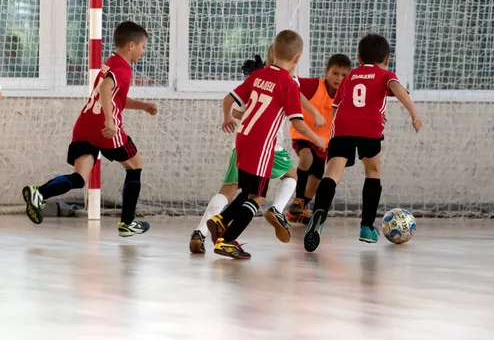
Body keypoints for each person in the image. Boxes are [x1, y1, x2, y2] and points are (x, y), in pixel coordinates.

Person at [21, 21, 157, 237]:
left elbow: (114, 97)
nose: (143, 51)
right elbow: (106, 89)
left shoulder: (110, 63)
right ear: (131, 45)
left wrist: (143, 106)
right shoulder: (123, 67)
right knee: (136, 165)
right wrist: (110, 121)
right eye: (143, 46)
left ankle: (40, 193)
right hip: (104, 129)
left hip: (84, 126)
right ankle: (127, 223)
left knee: (79, 177)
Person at [189, 45, 325, 253]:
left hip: (241, 142)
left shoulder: (258, 78)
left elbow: (235, 110)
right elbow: (295, 104)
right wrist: (316, 136)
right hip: (267, 146)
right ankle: (274, 212)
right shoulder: (285, 80)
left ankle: (202, 231)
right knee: (269, 189)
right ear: (296, 58)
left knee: (233, 190)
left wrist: (312, 110)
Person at [303, 33, 422, 252]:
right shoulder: (386, 74)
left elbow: (337, 106)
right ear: (386, 58)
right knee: (373, 171)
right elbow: (397, 89)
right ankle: (366, 227)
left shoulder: (350, 76)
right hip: (369, 129)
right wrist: (413, 113)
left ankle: (318, 215)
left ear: (358, 58)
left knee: (332, 174)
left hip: (343, 127)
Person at [287, 54, 352, 224]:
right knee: (306, 156)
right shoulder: (314, 85)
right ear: (326, 72)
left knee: (316, 180)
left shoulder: (348, 95)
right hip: (305, 134)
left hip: (325, 143)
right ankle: (298, 199)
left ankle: (297, 211)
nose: (339, 78)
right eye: (335, 73)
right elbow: (291, 83)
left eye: (344, 75)